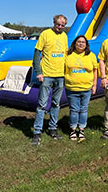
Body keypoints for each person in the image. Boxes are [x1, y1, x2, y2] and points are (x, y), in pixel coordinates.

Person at [31, 14, 68, 145]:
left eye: (63, 25)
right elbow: (37, 54)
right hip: (47, 74)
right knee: (42, 104)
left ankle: (52, 128)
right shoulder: (45, 34)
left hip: (60, 75)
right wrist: (38, 72)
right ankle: (37, 131)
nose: (60, 27)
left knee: (56, 104)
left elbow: (65, 54)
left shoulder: (64, 36)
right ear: (54, 23)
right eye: (58, 24)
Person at [64, 35, 98, 141]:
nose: (81, 44)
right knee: (74, 110)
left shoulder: (91, 55)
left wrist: (95, 85)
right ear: (74, 43)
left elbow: (95, 70)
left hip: (86, 88)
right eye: (78, 42)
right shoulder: (68, 54)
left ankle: (82, 130)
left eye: (83, 42)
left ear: (86, 45)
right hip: (72, 88)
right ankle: (73, 130)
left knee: (83, 110)